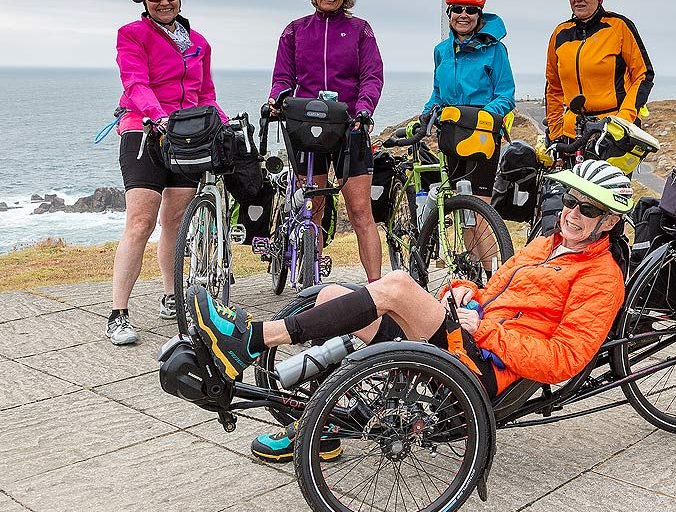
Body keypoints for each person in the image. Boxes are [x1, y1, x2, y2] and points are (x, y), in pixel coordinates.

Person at [187, 159, 633, 463]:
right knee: (331, 297)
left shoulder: (601, 278)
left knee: (398, 284)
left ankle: (252, 339)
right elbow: (492, 291)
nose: (572, 213)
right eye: (569, 200)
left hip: (486, 367)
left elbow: (564, 360)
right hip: (469, 337)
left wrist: (486, 331)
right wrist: (462, 292)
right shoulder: (545, 245)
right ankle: (323, 427)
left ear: (609, 221)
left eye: (588, 208)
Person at [108, 0, 227, 345]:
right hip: (143, 132)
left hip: (185, 138)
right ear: (143, 1)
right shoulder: (132, 34)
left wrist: (223, 123)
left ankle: (171, 295)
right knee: (140, 222)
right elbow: (135, 82)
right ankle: (118, 313)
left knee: (175, 221)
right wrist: (157, 115)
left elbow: (205, 94)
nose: (164, 2)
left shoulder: (198, 42)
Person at [268, 0, 383, 282]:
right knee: (313, 209)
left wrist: (364, 109)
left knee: (360, 213)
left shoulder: (360, 31)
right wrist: (277, 99)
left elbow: (372, 76)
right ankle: (312, 282)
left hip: (350, 127)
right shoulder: (295, 31)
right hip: (308, 127)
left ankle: (377, 289)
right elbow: (283, 77)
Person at [422, 0, 515, 204]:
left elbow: (505, 95)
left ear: (479, 15)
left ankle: (487, 230)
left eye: (471, 10)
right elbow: (438, 93)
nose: (463, 15)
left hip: (483, 131)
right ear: (449, 13)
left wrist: (482, 118)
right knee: (457, 203)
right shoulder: (441, 51)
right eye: (457, 9)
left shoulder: (495, 50)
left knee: (480, 204)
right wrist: (426, 114)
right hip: (452, 130)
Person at [545, 0, 655, 143]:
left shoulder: (619, 27)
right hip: (572, 132)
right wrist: (556, 133)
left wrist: (622, 121)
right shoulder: (560, 33)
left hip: (614, 130)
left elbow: (643, 75)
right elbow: (553, 87)